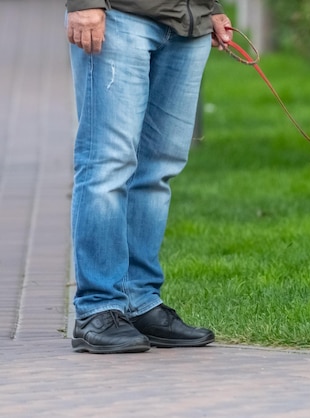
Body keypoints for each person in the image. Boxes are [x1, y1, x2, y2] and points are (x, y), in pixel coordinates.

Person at [65, 1, 232, 354]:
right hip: (121, 15)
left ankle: (139, 301)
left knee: (158, 169)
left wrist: (210, 8)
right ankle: (97, 308)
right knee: (107, 165)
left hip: (190, 24)